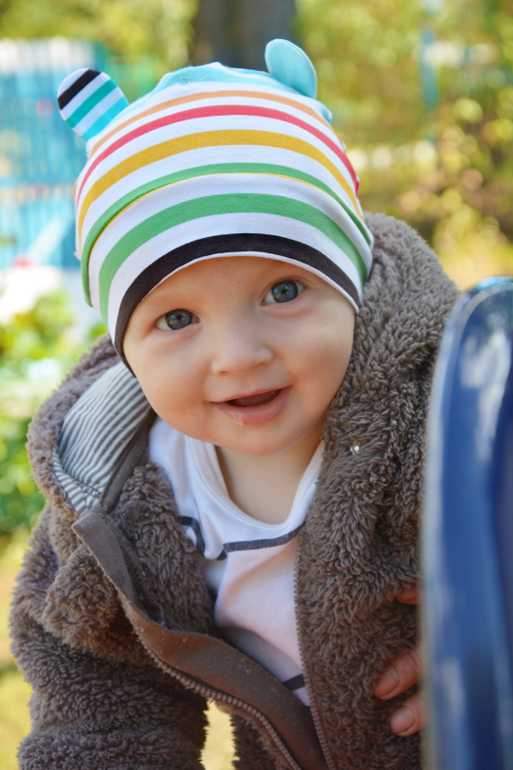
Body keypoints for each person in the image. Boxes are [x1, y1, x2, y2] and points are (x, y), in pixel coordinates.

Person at [10, 39, 458, 769]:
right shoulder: (120, 490)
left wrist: (489, 644)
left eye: (282, 291)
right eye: (176, 318)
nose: (238, 356)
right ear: (126, 348)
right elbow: (97, 698)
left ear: (349, 285)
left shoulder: (437, 406)